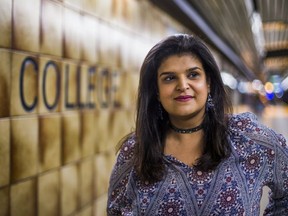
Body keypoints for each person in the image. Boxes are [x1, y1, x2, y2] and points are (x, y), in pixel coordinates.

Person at [107, 34, 288, 215]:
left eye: (193, 74)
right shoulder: (135, 151)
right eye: (169, 78)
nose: (183, 85)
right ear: (156, 91)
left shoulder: (249, 139)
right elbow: (115, 211)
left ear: (208, 83)